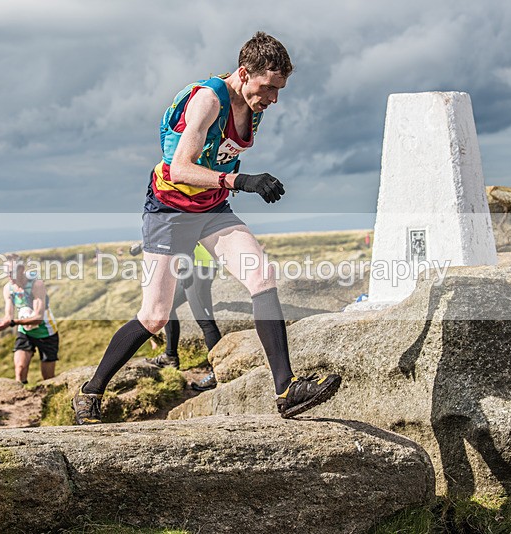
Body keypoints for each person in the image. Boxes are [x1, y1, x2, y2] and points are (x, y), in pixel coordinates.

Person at [72, 32, 341, 425]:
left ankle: (286, 389)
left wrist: (231, 185)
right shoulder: (208, 100)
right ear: (244, 73)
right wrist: (242, 181)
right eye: (268, 87)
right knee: (155, 316)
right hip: (170, 210)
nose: (274, 98)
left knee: (262, 275)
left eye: (280, 89)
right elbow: (179, 168)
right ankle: (91, 392)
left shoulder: (253, 104)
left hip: (212, 208)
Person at [144, 242, 221, 391]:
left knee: (205, 321)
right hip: (191, 265)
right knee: (167, 306)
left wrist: (187, 262)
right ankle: (170, 356)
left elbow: (187, 232)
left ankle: (217, 372)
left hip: (198, 265)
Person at [0, 255, 59, 383]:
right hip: (25, 332)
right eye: (6, 272)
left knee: (48, 378)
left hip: (47, 333)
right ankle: (22, 400)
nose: (9, 276)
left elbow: (38, 318)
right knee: (20, 369)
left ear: (21, 269)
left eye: (11, 272)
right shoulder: (8, 289)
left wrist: (12, 323)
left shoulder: (37, 284)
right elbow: (8, 316)